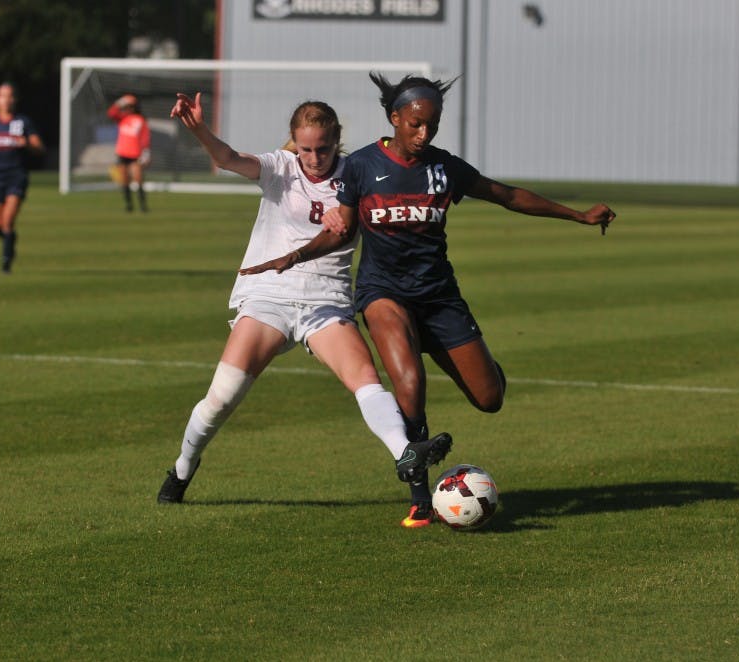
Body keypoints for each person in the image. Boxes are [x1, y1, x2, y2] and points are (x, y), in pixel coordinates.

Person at [240, 73, 617, 523]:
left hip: (439, 296)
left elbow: (506, 195)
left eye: (432, 126)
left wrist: (577, 215)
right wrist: (294, 256)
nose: (424, 134)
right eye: (416, 124)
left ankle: (461, 354)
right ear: (395, 118)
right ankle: (420, 497)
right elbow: (340, 230)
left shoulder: (444, 168)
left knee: (489, 397)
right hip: (383, 293)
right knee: (410, 385)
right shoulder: (360, 166)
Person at [156, 92, 452, 528]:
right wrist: (197, 126)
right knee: (220, 400)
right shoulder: (281, 167)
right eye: (307, 148)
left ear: (337, 142)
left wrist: (349, 218)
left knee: (365, 380)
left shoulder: (357, 175)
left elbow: (385, 215)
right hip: (268, 297)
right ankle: (183, 467)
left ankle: (405, 455)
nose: (314, 158)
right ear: (295, 142)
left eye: (324, 148)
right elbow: (226, 157)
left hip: (326, 301)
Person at [0, 82, 44, 273]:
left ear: (14, 99)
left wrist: (28, 144)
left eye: (9, 96)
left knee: (7, 222)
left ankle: (6, 263)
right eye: (2, 96)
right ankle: (10, 239)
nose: (5, 100)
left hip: (17, 176)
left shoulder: (23, 122)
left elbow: (39, 148)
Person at [107, 94, 151, 212]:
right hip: (122, 153)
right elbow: (111, 113)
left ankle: (143, 205)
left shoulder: (141, 120)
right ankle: (129, 205)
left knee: (138, 178)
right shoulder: (122, 119)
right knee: (125, 180)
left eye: (130, 106)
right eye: (126, 106)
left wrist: (146, 152)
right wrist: (119, 102)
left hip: (135, 154)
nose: (127, 109)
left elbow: (145, 137)